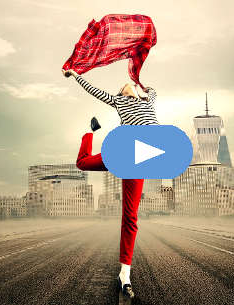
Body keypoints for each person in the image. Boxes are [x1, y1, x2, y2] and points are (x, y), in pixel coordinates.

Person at [62, 68, 158, 298]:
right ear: (121, 93)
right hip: (124, 150)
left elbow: (152, 90)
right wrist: (75, 74)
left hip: (142, 156)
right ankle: (90, 133)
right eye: (125, 86)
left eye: (131, 85)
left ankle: (125, 273)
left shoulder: (149, 100)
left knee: (131, 216)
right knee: (82, 163)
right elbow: (92, 90)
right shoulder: (118, 101)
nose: (128, 85)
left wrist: (139, 81)